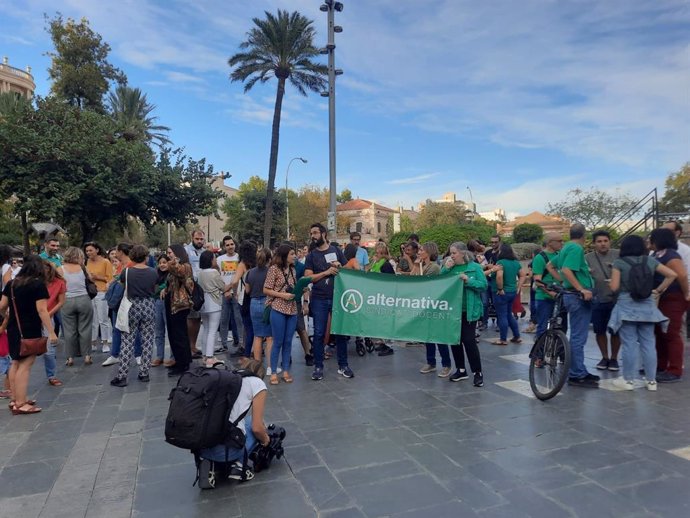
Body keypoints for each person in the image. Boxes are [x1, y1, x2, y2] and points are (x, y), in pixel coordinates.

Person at [608, 235, 676, 391]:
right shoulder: (650, 261)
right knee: (648, 344)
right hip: (647, 306)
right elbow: (672, 274)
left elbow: (613, 287)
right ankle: (651, 381)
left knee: (629, 345)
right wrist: (658, 290)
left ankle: (628, 380)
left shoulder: (619, 263)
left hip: (626, 306)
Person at [0, 255, 59, 414]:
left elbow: (2, 306)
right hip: (29, 329)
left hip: (13, 328)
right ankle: (21, 403)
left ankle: (15, 399)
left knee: (15, 363)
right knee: (25, 366)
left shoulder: (11, 284)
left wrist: (6, 318)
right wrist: (51, 332)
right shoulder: (37, 285)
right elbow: (42, 310)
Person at [197, 357, 271, 484]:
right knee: (254, 426)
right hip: (227, 451)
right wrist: (266, 440)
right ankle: (239, 465)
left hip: (200, 445)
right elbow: (257, 428)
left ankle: (209, 463)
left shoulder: (227, 378)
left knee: (236, 423)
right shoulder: (257, 383)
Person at [551, 223, 600, 388]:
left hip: (570, 294)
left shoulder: (565, 248)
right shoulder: (576, 249)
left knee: (577, 336)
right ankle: (577, 373)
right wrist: (580, 288)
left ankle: (579, 370)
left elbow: (550, 266)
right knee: (579, 337)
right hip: (577, 295)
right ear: (584, 236)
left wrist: (562, 281)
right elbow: (566, 269)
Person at [304, 223, 353, 380]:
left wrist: (340, 267)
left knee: (340, 332)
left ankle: (343, 365)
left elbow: (349, 270)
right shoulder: (311, 256)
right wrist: (326, 272)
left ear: (324, 234)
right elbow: (308, 277)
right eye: (311, 233)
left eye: (316, 232)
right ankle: (318, 367)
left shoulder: (336, 250)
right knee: (318, 333)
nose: (313, 236)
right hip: (319, 298)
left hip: (338, 297)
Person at [110, 245, 158, 387]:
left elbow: (122, 286)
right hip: (149, 305)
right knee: (148, 340)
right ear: (145, 257)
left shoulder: (127, 272)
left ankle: (122, 375)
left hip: (132, 306)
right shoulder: (153, 272)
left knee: (127, 340)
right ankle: (144, 373)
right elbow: (154, 289)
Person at [441, 243, 488, 386]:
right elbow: (440, 283)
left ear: (462, 253)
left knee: (469, 340)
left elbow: (483, 285)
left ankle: (477, 372)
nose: (452, 256)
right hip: (453, 310)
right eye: (451, 253)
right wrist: (445, 270)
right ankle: (461, 369)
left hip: (469, 310)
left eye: (454, 253)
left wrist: (468, 280)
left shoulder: (474, 267)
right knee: (455, 340)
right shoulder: (450, 268)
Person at [649, 228, 690, 383]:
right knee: (660, 333)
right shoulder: (656, 255)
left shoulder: (671, 256)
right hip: (661, 299)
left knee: (671, 333)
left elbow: (682, 275)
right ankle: (660, 365)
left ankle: (674, 369)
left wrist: (686, 294)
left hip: (673, 298)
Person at [585, 229, 621, 371]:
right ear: (594, 243)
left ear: (609, 241)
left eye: (605, 241)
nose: (603, 244)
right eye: (599, 241)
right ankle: (604, 357)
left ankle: (614, 358)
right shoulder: (587, 258)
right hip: (597, 300)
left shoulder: (618, 255)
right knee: (599, 331)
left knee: (616, 331)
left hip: (616, 300)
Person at [263, 244, 298, 385]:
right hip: (278, 307)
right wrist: (282, 295)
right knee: (277, 341)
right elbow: (265, 289)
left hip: (292, 308)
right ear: (284, 256)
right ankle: (272, 371)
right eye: (291, 254)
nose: (294, 256)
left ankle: (285, 370)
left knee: (288, 341)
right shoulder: (273, 269)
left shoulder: (292, 270)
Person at [416, 242, 452, 376]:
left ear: (428, 252)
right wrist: (415, 265)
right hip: (424, 304)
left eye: (421, 250)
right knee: (428, 335)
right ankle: (430, 362)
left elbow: (424, 283)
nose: (419, 252)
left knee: (438, 335)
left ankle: (446, 364)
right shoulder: (421, 265)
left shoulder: (435, 267)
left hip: (434, 304)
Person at [163, 244, 195, 377]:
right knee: (173, 334)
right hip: (171, 302)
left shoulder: (185, 266)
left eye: (170, 252)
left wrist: (173, 261)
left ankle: (183, 363)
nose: (168, 255)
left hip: (180, 305)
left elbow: (178, 271)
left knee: (179, 334)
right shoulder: (175, 265)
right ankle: (180, 360)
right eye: (168, 252)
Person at [62, 247, 95, 367]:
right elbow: (91, 279)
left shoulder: (60, 269)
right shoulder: (83, 268)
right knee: (85, 328)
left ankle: (70, 358)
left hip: (67, 300)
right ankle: (87, 356)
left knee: (69, 330)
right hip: (84, 299)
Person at [488, 244, 525, 346]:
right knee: (509, 314)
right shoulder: (516, 263)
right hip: (512, 292)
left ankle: (503, 339)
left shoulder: (501, 262)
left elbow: (499, 276)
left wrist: (500, 289)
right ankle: (516, 336)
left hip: (501, 293)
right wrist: (518, 287)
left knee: (502, 315)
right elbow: (522, 275)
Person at [198, 251, 229, 368]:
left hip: (203, 305)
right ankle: (210, 358)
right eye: (214, 258)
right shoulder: (214, 272)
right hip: (214, 304)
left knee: (206, 329)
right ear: (211, 260)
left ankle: (205, 355)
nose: (215, 260)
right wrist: (232, 284)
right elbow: (223, 286)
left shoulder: (200, 273)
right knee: (212, 330)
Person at [532, 233, 565, 340]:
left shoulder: (559, 256)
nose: (562, 243)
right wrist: (550, 292)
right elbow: (538, 280)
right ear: (550, 243)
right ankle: (539, 353)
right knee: (542, 326)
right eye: (559, 241)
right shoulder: (540, 258)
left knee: (561, 326)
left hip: (560, 295)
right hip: (544, 297)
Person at [217, 236, 245, 357]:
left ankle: (241, 343)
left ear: (235, 245)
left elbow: (241, 276)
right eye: (227, 245)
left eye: (231, 244)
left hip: (237, 293)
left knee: (239, 319)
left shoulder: (240, 258)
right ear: (224, 247)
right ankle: (223, 344)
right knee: (223, 319)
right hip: (224, 293)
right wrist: (225, 291)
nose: (230, 247)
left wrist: (233, 291)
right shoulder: (219, 259)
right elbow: (218, 277)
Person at [85, 242, 113, 353]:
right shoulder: (87, 262)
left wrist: (97, 277)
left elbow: (110, 279)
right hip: (91, 292)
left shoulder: (105, 262)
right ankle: (93, 343)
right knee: (93, 320)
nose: (88, 253)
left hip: (102, 292)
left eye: (90, 250)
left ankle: (105, 342)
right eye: (87, 251)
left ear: (97, 250)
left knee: (103, 319)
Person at [246, 248, 273, 366]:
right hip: (267, 303)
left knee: (257, 335)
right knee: (269, 336)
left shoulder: (250, 272)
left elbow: (247, 290)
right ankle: (270, 366)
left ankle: (257, 365)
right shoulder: (271, 272)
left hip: (254, 303)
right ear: (269, 259)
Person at [43, 261, 66, 387]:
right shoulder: (35, 282)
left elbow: (61, 301)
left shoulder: (59, 283)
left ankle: (51, 375)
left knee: (49, 349)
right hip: (32, 317)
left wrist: (49, 314)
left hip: (49, 315)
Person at [234, 241, 258, 357]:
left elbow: (235, 281)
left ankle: (247, 354)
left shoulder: (242, 265)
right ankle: (255, 350)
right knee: (256, 328)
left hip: (245, 299)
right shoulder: (257, 264)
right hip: (257, 297)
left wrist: (231, 291)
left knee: (249, 329)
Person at [185, 229, 206, 359]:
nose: (199, 241)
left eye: (201, 239)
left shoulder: (205, 252)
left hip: (202, 289)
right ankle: (189, 347)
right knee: (191, 318)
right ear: (192, 238)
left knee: (198, 318)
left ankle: (193, 345)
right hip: (191, 288)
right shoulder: (186, 250)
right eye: (197, 239)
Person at [151, 253, 171, 367]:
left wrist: (162, 288)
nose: (162, 265)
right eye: (160, 263)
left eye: (164, 262)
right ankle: (159, 356)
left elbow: (165, 287)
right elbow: (154, 289)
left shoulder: (172, 274)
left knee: (171, 331)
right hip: (157, 302)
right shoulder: (155, 275)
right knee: (159, 331)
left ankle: (173, 356)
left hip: (169, 302)